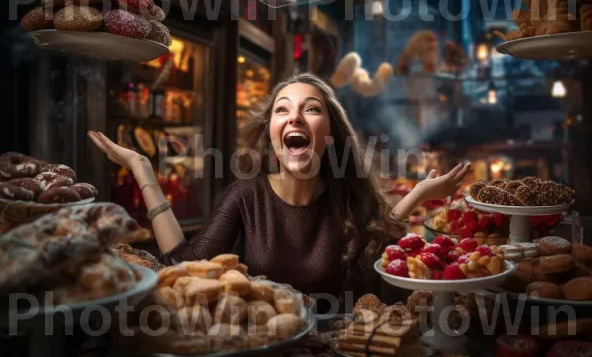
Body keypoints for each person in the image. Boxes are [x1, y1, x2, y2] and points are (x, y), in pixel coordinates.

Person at [88, 73, 470, 311]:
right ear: (273, 132)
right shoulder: (245, 196)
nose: (295, 117)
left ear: (332, 136)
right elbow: (182, 265)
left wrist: (419, 193)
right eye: (282, 110)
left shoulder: (349, 202)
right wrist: (143, 171)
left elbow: (377, 247)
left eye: (312, 109)